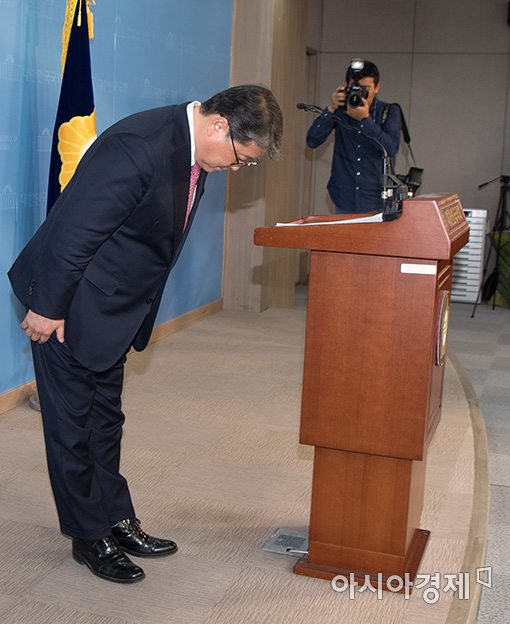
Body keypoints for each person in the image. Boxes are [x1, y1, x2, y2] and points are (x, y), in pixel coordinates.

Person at [8, 84, 283, 584]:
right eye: (242, 158)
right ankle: (88, 536)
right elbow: (74, 230)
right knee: (71, 427)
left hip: (113, 308)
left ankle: (116, 517)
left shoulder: (191, 151)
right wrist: (47, 307)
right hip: (71, 302)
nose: (238, 168)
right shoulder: (140, 146)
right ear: (220, 125)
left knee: (105, 420)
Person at [306, 60, 401, 214]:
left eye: (365, 89)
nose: (359, 93)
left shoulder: (389, 111)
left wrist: (365, 120)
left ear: (377, 87)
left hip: (377, 199)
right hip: (343, 198)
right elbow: (312, 140)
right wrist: (330, 108)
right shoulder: (340, 110)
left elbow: (390, 148)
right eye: (355, 88)